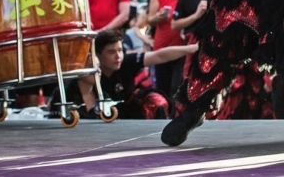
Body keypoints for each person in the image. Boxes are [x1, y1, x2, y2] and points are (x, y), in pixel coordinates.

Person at [51, 30, 197, 119]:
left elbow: (158, 56)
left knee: (156, 101)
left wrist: (191, 48)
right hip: (105, 122)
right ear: (97, 56)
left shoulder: (125, 62)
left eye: (120, 50)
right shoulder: (76, 87)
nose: (118, 56)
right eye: (111, 52)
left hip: (129, 111)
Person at [148, 0, 188, 97]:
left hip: (181, 47)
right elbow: (149, 19)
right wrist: (159, 17)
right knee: (162, 87)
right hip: (162, 46)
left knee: (177, 86)